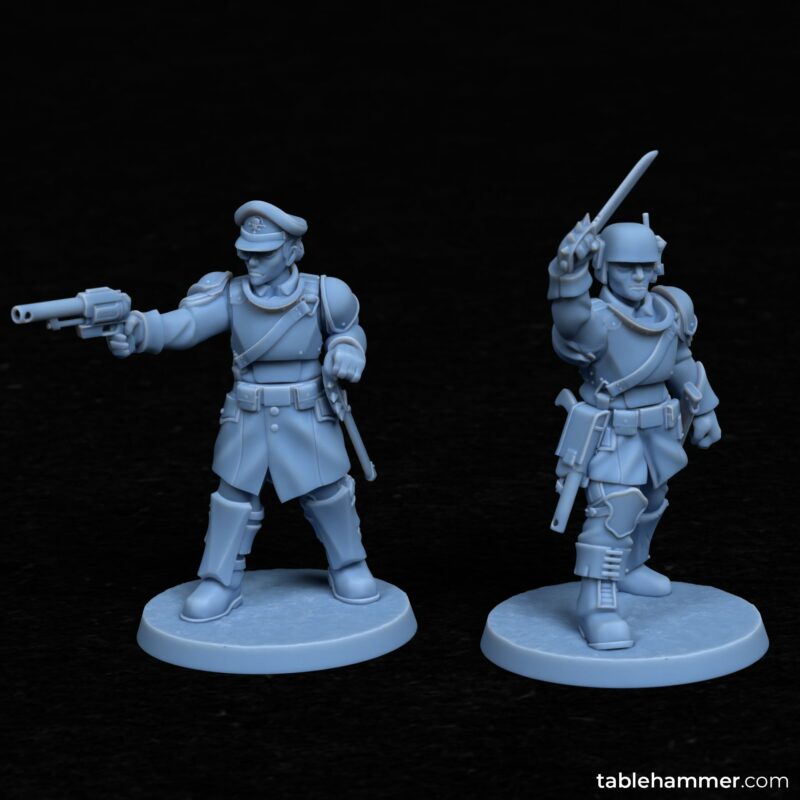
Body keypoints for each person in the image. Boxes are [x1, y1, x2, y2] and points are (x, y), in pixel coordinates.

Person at [109, 200, 379, 622]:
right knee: (233, 500)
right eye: (246, 252)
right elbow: (187, 324)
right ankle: (220, 581)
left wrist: (348, 351)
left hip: (307, 412)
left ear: (291, 251)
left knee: (329, 493)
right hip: (249, 415)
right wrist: (141, 331)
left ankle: (348, 564)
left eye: (263, 253)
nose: (251, 261)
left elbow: (348, 330)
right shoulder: (230, 295)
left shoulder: (327, 294)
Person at [548, 212, 721, 649]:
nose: (639, 276)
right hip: (615, 432)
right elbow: (570, 322)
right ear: (604, 268)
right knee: (614, 513)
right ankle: (596, 605)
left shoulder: (670, 308)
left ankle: (631, 567)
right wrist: (568, 275)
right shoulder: (598, 319)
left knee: (653, 500)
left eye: (645, 266)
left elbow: (680, 360)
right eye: (627, 268)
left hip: (660, 429)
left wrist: (704, 409)